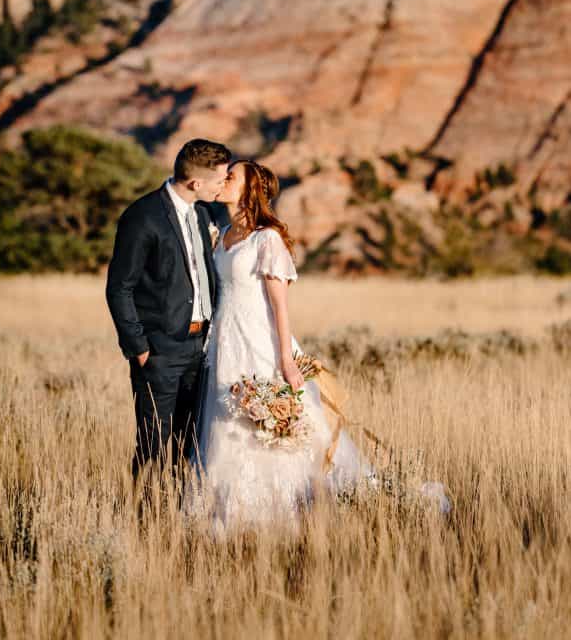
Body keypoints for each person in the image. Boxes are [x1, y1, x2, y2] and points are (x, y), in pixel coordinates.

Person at [183, 160, 450, 531]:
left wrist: (287, 361)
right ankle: (230, 510)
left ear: (249, 190)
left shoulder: (267, 238)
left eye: (232, 178)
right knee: (226, 421)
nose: (223, 182)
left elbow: (279, 305)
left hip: (260, 340)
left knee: (275, 424)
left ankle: (293, 506)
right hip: (225, 342)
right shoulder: (224, 233)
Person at [105, 138, 231, 493]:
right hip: (159, 351)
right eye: (219, 180)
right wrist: (139, 347)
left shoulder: (202, 212)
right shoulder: (142, 216)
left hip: (199, 347)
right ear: (196, 183)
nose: (223, 186)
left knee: (188, 444)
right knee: (153, 443)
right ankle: (145, 520)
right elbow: (119, 287)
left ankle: (177, 515)